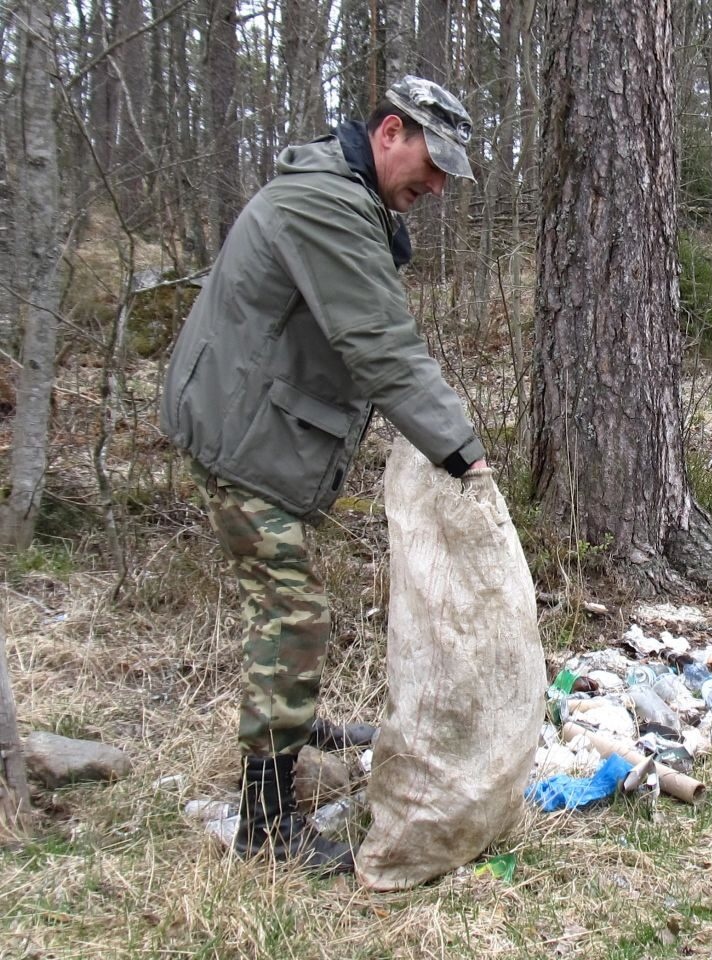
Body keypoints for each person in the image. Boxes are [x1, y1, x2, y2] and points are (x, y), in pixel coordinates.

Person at [161, 76, 486, 876]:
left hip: (255, 427)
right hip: (242, 435)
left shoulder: (345, 197)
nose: (436, 186)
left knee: (288, 605)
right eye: (430, 163)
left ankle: (293, 733)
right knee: (294, 615)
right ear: (388, 133)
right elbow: (379, 343)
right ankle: (267, 827)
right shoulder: (330, 206)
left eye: (447, 173)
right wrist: (461, 450)